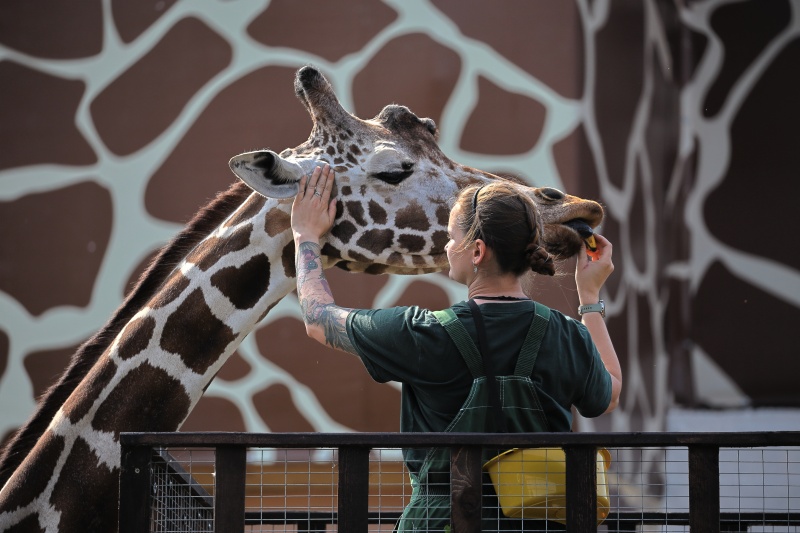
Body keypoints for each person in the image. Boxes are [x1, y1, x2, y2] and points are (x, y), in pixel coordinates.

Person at [291, 164, 622, 532]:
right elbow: (608, 394)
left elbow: (318, 320)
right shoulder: (567, 336)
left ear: (477, 251)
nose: (448, 247)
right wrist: (589, 297)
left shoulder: (423, 333)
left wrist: (305, 236)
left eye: (452, 237)